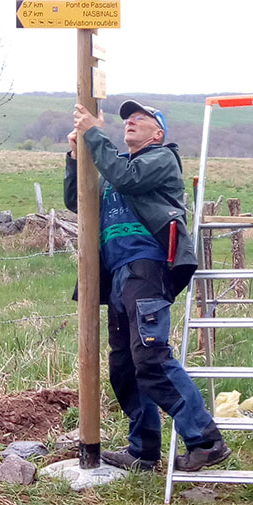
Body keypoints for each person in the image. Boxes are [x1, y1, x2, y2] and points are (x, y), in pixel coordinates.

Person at [64, 98, 231, 472]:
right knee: (124, 366)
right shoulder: (115, 167)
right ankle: (143, 450)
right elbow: (79, 201)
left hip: (147, 269)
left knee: (151, 358)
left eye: (141, 119)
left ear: (158, 133)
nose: (131, 123)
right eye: (128, 119)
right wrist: (76, 156)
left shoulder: (160, 160)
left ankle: (206, 441)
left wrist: (93, 132)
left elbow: (127, 180)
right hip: (117, 275)